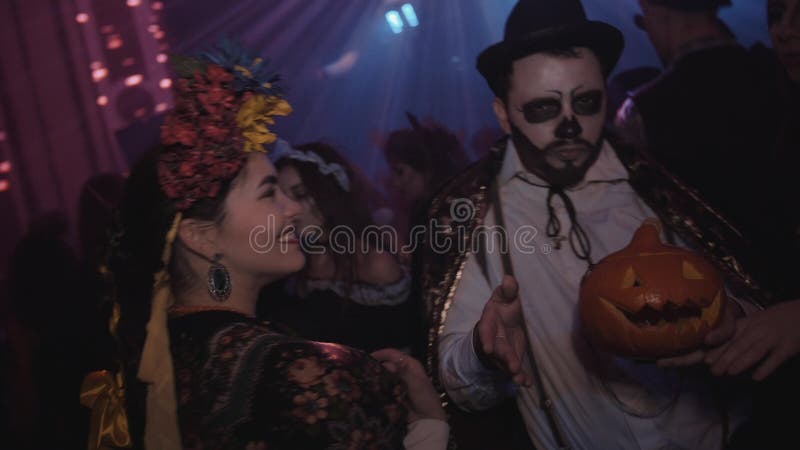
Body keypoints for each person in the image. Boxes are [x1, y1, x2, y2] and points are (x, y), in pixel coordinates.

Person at [420, 1, 775, 448]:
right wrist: (483, 351)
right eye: (543, 108)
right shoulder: (471, 216)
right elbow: (456, 386)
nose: (570, 126)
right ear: (504, 113)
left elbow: (755, 295)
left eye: (586, 103)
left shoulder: (661, 182)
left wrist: (735, 316)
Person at [89, 42, 448, 450]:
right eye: (269, 192)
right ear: (201, 237)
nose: (293, 209)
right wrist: (430, 427)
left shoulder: (165, 361)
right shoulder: (311, 379)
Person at [615, 0, 782, 242]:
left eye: (644, 21)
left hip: (703, 272)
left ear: (657, 12)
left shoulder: (642, 110)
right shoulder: (781, 78)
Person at [256, 140, 415, 353]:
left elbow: (402, 353)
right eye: (279, 197)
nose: (288, 208)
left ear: (329, 193)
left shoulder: (373, 262)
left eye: (300, 194)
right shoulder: (286, 259)